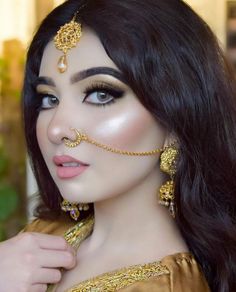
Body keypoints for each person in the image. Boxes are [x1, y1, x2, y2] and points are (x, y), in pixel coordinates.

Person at [1, 0, 236, 291]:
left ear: (176, 119)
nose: (56, 129)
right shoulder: (45, 238)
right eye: (49, 98)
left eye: (100, 94)